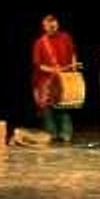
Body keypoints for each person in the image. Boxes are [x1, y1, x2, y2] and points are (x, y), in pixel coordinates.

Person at [32, 15, 79, 144]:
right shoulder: (40, 42)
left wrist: (74, 68)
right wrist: (52, 70)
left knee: (63, 105)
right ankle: (51, 134)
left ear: (57, 25)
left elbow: (73, 53)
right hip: (46, 80)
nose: (52, 28)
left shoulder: (65, 37)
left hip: (63, 78)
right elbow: (38, 65)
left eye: (54, 25)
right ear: (44, 27)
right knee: (48, 108)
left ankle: (65, 134)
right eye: (49, 26)